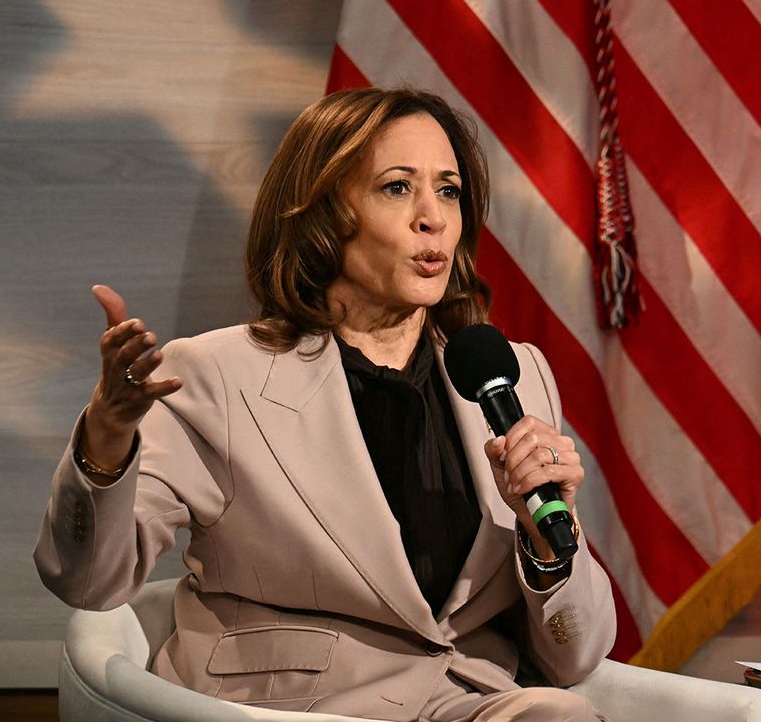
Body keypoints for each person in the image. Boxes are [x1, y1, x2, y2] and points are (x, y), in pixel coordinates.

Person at [35, 87, 615, 721]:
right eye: (398, 187)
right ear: (322, 212)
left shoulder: (512, 375)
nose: (434, 218)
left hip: (468, 703)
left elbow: (574, 657)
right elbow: (88, 581)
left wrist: (547, 543)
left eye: (448, 190)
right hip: (293, 709)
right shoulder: (218, 376)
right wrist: (107, 438)